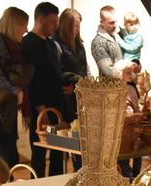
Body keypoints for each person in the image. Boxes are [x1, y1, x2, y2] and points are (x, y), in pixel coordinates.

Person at [0, 8, 31, 168]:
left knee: (6, 158)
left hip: (4, 109)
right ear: (13, 25)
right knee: (6, 160)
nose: (26, 30)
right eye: (23, 25)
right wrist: (16, 90)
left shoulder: (9, 44)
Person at [23, 2, 68, 177]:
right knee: (39, 153)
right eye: (53, 22)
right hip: (40, 109)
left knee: (58, 152)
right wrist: (41, 109)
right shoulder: (28, 44)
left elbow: (56, 73)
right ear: (41, 19)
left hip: (57, 105)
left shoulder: (51, 43)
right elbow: (32, 82)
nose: (56, 26)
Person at [55, 7, 89, 171]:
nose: (77, 30)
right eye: (75, 26)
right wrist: (73, 85)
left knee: (82, 133)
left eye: (78, 27)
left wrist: (86, 86)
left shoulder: (79, 45)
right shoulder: (58, 45)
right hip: (67, 97)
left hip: (81, 94)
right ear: (66, 26)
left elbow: (84, 69)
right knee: (70, 135)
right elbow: (59, 71)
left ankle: (81, 170)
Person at [114, 59, 142, 178]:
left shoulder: (131, 89)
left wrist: (138, 116)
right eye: (128, 72)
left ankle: (135, 177)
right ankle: (128, 177)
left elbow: (136, 108)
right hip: (119, 129)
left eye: (131, 72)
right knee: (122, 159)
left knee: (137, 152)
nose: (131, 75)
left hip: (131, 127)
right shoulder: (112, 90)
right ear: (119, 73)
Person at [91, 5, 122, 78]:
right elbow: (109, 71)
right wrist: (129, 74)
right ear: (102, 22)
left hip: (122, 83)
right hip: (108, 84)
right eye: (111, 23)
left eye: (115, 22)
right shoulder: (98, 42)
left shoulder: (117, 37)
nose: (115, 25)